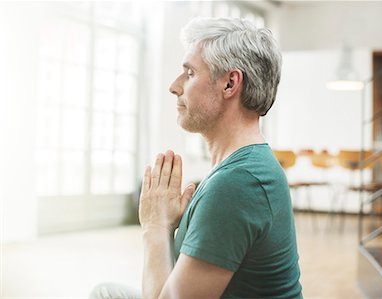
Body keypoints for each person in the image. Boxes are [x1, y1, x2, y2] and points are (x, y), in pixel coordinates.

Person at [90, 17, 302, 299]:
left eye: (189, 73)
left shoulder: (238, 184)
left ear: (230, 83)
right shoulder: (241, 166)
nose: (174, 86)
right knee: (106, 292)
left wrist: (155, 227)